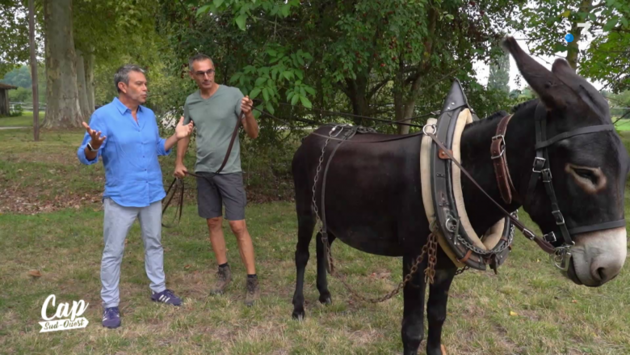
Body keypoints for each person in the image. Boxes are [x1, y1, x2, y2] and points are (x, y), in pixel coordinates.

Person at [77, 64, 194, 329]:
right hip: (121, 196)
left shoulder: (149, 115)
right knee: (113, 251)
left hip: (151, 192)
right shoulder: (103, 115)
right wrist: (93, 145)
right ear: (123, 86)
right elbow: (85, 157)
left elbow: (157, 148)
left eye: (145, 83)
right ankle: (110, 305)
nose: (145, 88)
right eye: (140, 84)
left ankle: (159, 289)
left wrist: (176, 137)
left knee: (154, 244)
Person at [174, 53, 260, 306]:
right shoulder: (191, 101)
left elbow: (252, 133)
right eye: (200, 73)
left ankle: (252, 280)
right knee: (213, 222)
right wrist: (179, 161)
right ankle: (223, 272)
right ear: (192, 75)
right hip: (204, 171)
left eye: (209, 71)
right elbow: (185, 133)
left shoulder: (233, 94)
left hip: (229, 171)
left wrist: (249, 113)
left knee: (237, 225)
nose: (206, 77)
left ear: (214, 71)